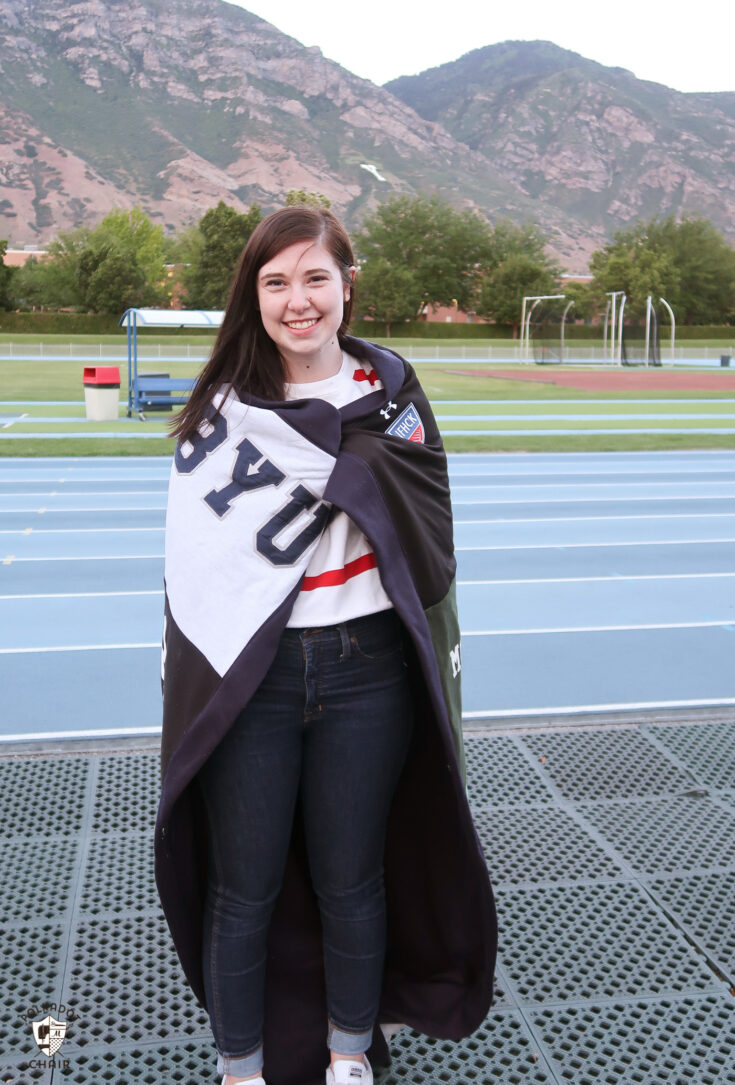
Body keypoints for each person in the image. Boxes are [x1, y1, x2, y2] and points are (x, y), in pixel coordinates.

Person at [155, 206, 497, 1085]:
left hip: (366, 671)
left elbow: (428, 534)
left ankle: (349, 1057)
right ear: (254, 296)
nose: (296, 299)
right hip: (254, 679)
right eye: (275, 282)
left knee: (353, 879)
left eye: (314, 277)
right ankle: (241, 1069)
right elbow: (194, 570)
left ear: (347, 284)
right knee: (244, 888)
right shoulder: (225, 411)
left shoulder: (392, 399)